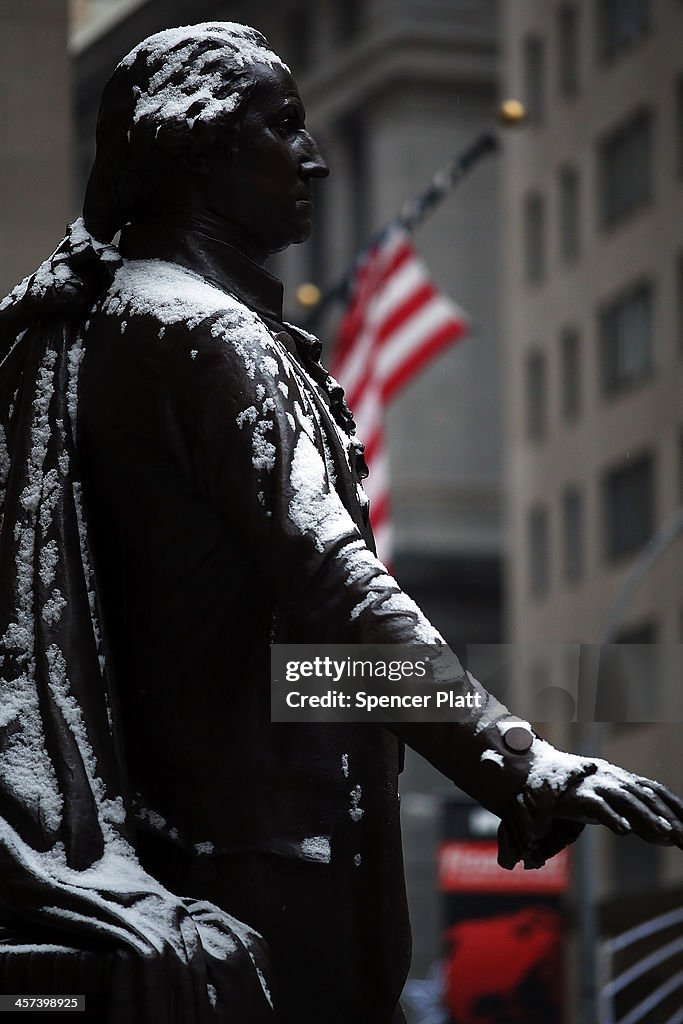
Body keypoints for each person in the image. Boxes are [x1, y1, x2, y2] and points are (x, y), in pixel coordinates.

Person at [0, 22, 681, 1024]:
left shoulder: (126, 329)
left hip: (235, 857)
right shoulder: (205, 338)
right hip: (262, 883)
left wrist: (483, 756)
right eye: (283, 128)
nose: (311, 157)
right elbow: (338, 592)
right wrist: (516, 757)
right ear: (194, 147)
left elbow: (293, 656)